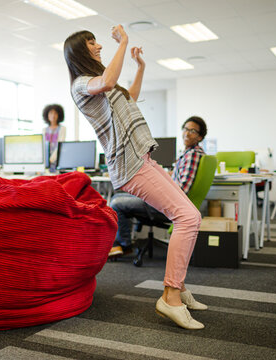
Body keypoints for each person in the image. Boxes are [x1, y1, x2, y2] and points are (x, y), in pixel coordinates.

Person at [64, 26, 206, 330]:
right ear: (80, 51)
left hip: (143, 158)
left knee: (191, 217)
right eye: (92, 43)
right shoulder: (81, 84)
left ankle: (177, 288)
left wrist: (139, 67)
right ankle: (171, 297)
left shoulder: (104, 86)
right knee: (187, 217)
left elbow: (130, 96)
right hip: (130, 166)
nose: (99, 45)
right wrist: (124, 42)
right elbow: (110, 80)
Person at [109, 116, 208, 257]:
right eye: (185, 129)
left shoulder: (192, 155)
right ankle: (122, 243)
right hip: (171, 202)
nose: (187, 133)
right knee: (120, 196)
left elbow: (183, 189)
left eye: (192, 131)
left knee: (116, 203)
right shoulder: (190, 154)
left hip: (167, 205)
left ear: (200, 137)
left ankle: (124, 245)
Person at [42, 104, 66, 169]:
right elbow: (43, 147)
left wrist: (51, 160)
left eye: (55, 113)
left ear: (59, 115)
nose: (53, 115)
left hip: (57, 160)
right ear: (47, 115)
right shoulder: (44, 130)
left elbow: (60, 145)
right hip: (46, 162)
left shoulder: (62, 128)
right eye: (51, 113)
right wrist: (45, 161)